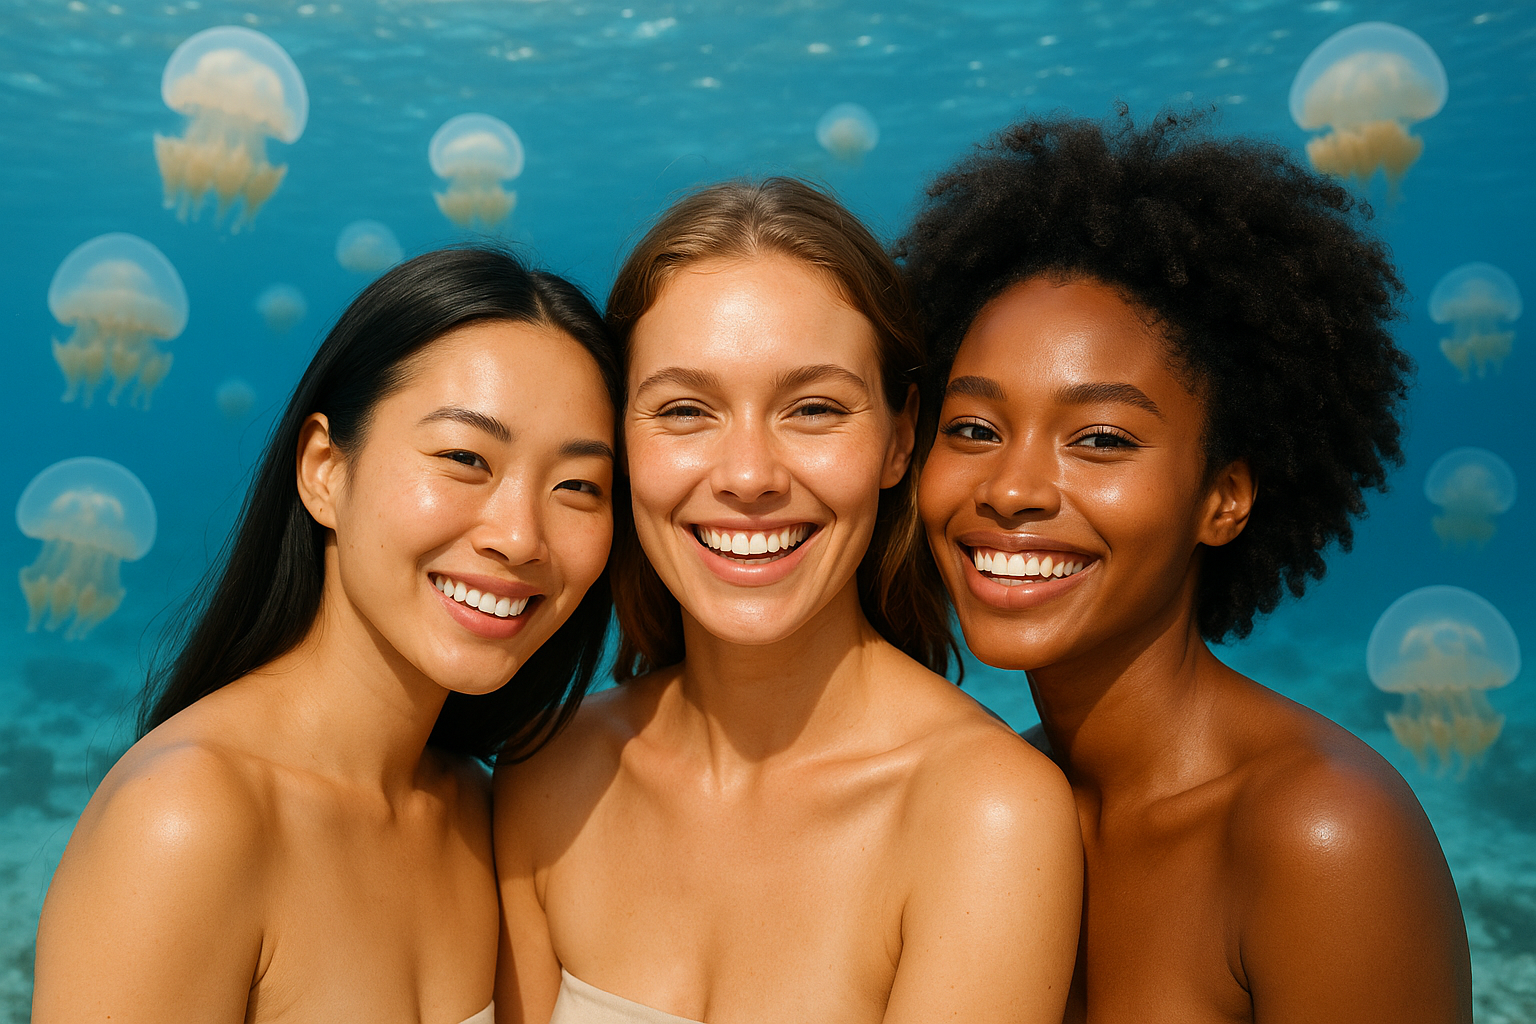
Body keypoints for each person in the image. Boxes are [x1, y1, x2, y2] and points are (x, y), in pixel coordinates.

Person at [900, 109, 1474, 1023]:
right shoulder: (992, 800)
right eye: (972, 429)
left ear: (1225, 498)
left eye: (1100, 438)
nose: (1011, 489)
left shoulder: (1320, 832)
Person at [493, 178, 1082, 1024]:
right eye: (686, 409)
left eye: (813, 408)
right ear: (618, 436)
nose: (748, 477)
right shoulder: (543, 771)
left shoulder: (989, 816)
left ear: (899, 437)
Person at [32, 247, 621, 1024]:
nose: (520, 537)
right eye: (464, 458)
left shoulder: (477, 813)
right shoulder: (185, 822)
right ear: (322, 470)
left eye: (578, 486)